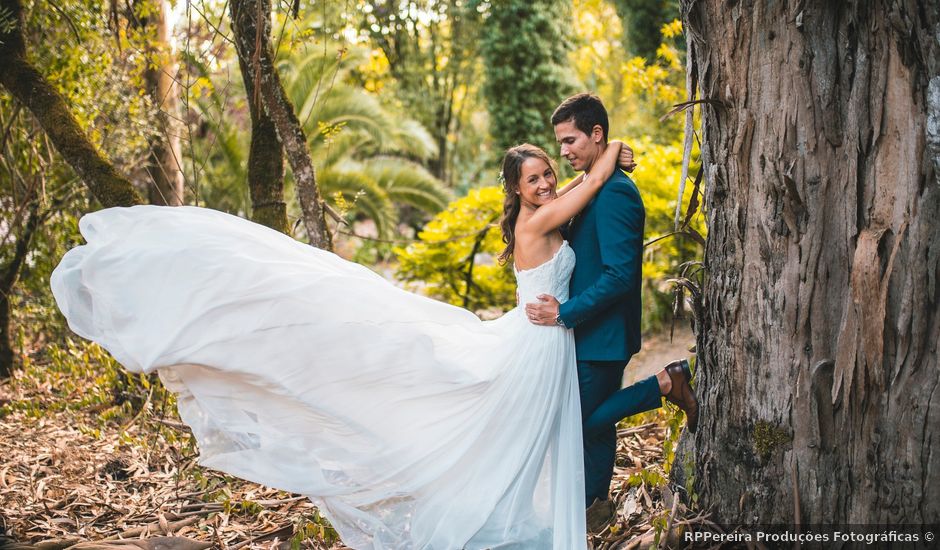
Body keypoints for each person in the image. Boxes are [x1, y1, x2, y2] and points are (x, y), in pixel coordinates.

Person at [50, 139, 633, 549]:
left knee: (537, 436)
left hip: (546, 340)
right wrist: (613, 151)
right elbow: (595, 182)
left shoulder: (547, 210)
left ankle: (538, 517)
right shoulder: (536, 222)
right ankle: (504, 522)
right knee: (515, 437)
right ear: (515, 188)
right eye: (533, 178)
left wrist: (602, 161)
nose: (545, 181)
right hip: (537, 343)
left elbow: (584, 185)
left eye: (546, 174)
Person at [524, 92, 699, 531]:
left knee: (582, 422)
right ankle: (595, 509)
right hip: (584, 333)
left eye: (569, 141)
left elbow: (620, 276)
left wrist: (564, 313)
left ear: (595, 134)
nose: (563, 152)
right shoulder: (592, 187)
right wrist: (615, 149)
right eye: (560, 143)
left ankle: (665, 382)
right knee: (595, 427)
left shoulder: (616, 194)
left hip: (600, 335)